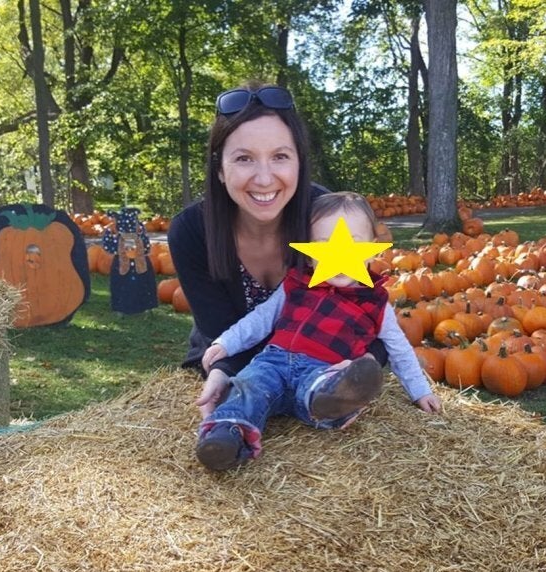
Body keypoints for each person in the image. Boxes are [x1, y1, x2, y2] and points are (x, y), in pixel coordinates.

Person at [168, 82, 387, 418]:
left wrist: (362, 366)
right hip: (235, 353)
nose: (265, 178)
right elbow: (219, 330)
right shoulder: (191, 231)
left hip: (321, 355)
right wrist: (222, 370)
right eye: (244, 158)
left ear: (299, 162)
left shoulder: (324, 218)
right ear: (220, 170)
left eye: (280, 157)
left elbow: (368, 306)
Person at [195, 192, 442, 471]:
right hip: (273, 362)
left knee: (324, 388)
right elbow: (261, 319)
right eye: (325, 245)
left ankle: (335, 401)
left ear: (373, 249)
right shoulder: (296, 284)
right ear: (309, 252)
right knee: (247, 387)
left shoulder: (374, 301)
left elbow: (398, 348)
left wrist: (419, 391)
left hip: (323, 369)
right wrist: (226, 343)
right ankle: (224, 438)